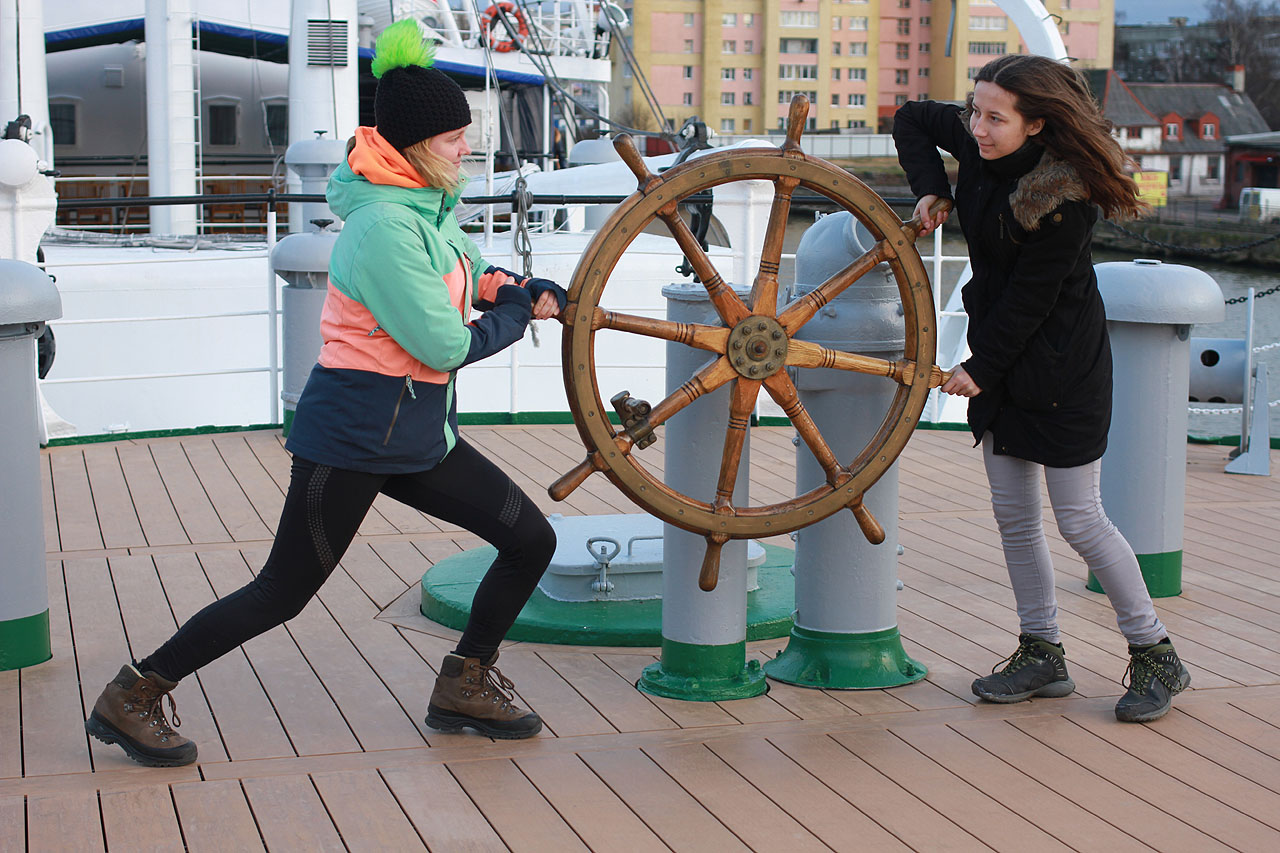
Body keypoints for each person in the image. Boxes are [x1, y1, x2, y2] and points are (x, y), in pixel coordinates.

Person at [85, 20, 568, 766]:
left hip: (414, 435)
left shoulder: (429, 210)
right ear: (414, 148)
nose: (465, 148)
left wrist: (521, 286)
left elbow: (476, 271)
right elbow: (443, 343)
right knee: (282, 591)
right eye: (453, 139)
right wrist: (510, 316)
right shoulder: (383, 227)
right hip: (352, 435)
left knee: (529, 537)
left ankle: (466, 680)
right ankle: (136, 693)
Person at [893, 54, 1190, 723]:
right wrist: (931, 188)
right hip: (1005, 354)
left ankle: (1156, 652)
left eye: (996, 117)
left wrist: (980, 368)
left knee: (1080, 518)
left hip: (1061, 367)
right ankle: (1041, 650)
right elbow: (911, 119)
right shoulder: (976, 141)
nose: (980, 127)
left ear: (1037, 123)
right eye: (976, 111)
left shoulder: (1064, 196)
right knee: (1015, 517)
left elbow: (1033, 298)